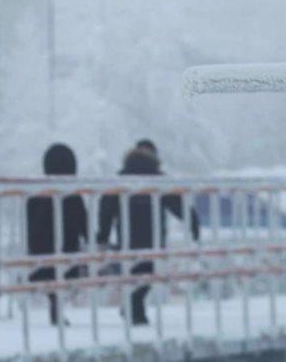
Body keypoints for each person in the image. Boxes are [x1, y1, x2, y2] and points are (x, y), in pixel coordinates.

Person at [97, 139, 199, 326]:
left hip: (127, 239)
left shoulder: (119, 180)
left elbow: (106, 210)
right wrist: (193, 224)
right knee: (147, 275)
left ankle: (134, 309)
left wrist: (102, 236)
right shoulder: (159, 180)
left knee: (132, 274)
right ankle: (135, 310)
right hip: (153, 238)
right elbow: (180, 206)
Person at [25, 143, 88, 325]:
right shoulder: (72, 194)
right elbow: (84, 220)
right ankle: (57, 309)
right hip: (67, 247)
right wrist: (92, 238)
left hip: (42, 248)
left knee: (51, 278)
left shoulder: (36, 193)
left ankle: (55, 306)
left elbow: (31, 222)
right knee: (62, 277)